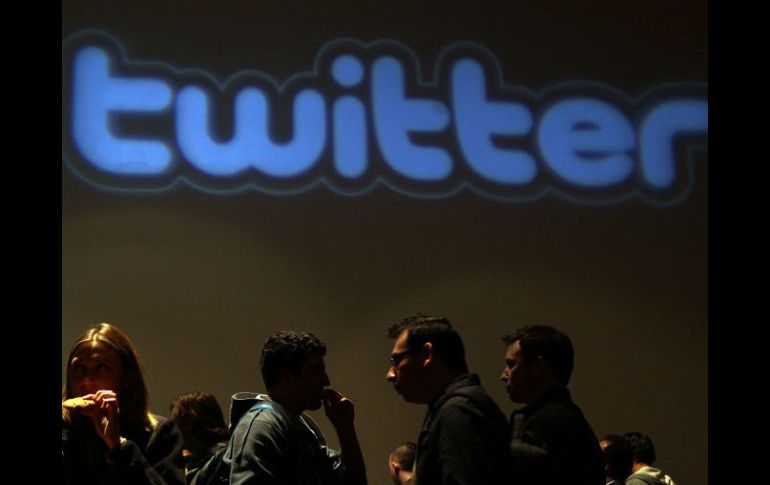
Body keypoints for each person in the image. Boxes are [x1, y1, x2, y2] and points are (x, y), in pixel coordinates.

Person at [224, 330, 367, 485]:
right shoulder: (263, 427)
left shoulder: (302, 431)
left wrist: (345, 429)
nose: (326, 380)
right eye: (316, 370)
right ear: (286, 376)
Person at [385, 314, 510, 485]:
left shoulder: (457, 413)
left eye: (397, 360)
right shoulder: (460, 406)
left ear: (427, 354)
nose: (390, 374)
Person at [61, 322, 185, 485]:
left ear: (127, 377)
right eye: (78, 368)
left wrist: (118, 446)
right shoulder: (64, 432)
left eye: (101, 368)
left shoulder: (160, 434)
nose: (87, 380)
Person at [500, 324, 604, 485]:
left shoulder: (544, 424)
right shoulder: (570, 418)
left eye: (511, 364)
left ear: (537, 367)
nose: (503, 375)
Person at [170, 390, 228, 484]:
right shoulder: (196, 462)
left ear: (190, 424)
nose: (171, 431)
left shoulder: (221, 463)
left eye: (174, 424)